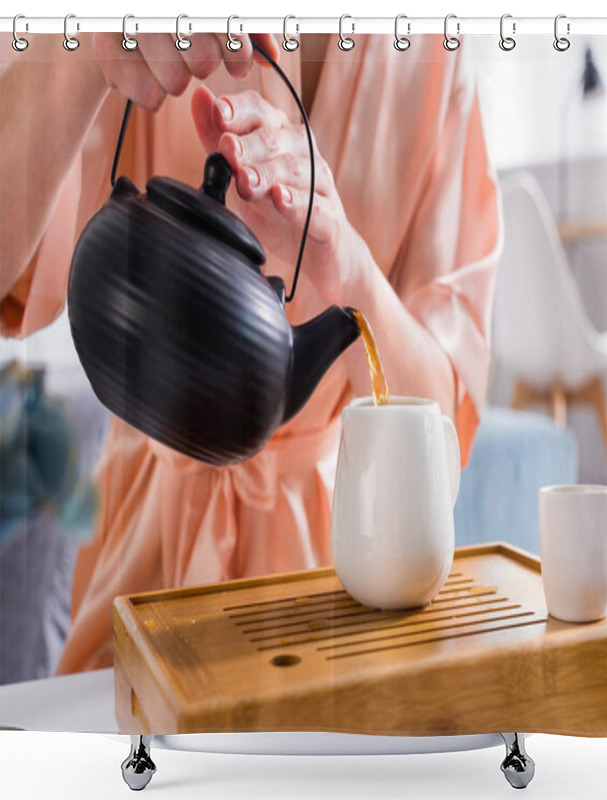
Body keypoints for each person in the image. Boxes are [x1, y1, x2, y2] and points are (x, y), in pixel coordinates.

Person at [0, 31, 500, 673]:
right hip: (140, 581)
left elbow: (437, 437)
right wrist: (84, 54)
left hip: (334, 595)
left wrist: (346, 266)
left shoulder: (434, 50)